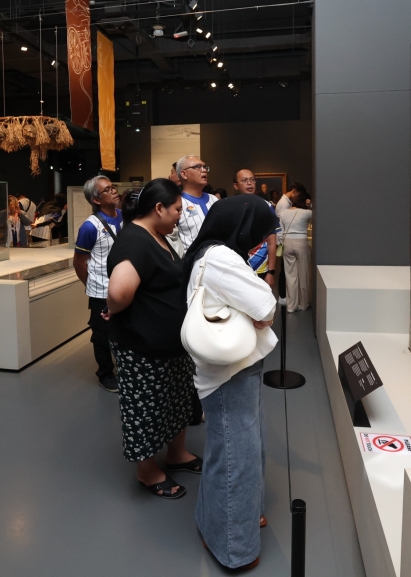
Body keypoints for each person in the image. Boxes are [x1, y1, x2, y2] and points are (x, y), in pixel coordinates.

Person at [181, 195, 278, 571]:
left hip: (231, 370)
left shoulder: (210, 252)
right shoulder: (221, 257)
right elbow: (265, 308)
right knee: (238, 457)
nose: (259, 241)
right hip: (229, 374)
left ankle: (227, 518)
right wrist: (258, 310)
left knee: (234, 450)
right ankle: (233, 547)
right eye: (257, 232)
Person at [104, 179, 200, 499]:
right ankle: (146, 471)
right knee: (146, 408)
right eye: (176, 210)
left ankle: (176, 453)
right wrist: (112, 309)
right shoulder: (134, 241)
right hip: (142, 347)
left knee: (176, 400)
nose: (180, 216)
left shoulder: (156, 235)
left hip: (170, 346)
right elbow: (119, 292)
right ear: (159, 208)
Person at [73, 175, 123, 392]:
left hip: (124, 286)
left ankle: (125, 367)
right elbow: (79, 262)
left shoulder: (124, 217)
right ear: (96, 199)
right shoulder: (89, 227)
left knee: (124, 329)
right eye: (107, 190)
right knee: (102, 334)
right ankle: (105, 373)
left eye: (113, 187)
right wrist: (92, 285)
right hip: (101, 290)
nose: (114, 191)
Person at [233, 169, 279, 286]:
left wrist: (271, 272)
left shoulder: (266, 206)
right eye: (244, 180)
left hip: (260, 268)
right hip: (236, 267)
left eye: (252, 180)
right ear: (235, 186)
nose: (249, 183)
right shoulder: (230, 207)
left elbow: (272, 242)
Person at [176, 155, 217, 254]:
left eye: (205, 167)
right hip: (192, 260)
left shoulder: (214, 199)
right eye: (198, 167)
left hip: (218, 257)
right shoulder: (177, 203)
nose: (204, 170)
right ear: (184, 174)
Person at [281, 191, 313, 311]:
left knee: (290, 275)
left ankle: (291, 306)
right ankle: (304, 304)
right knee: (303, 274)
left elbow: (281, 230)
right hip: (301, 243)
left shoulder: (284, 213)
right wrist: (311, 205)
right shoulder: (306, 213)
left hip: (287, 243)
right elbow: (319, 213)